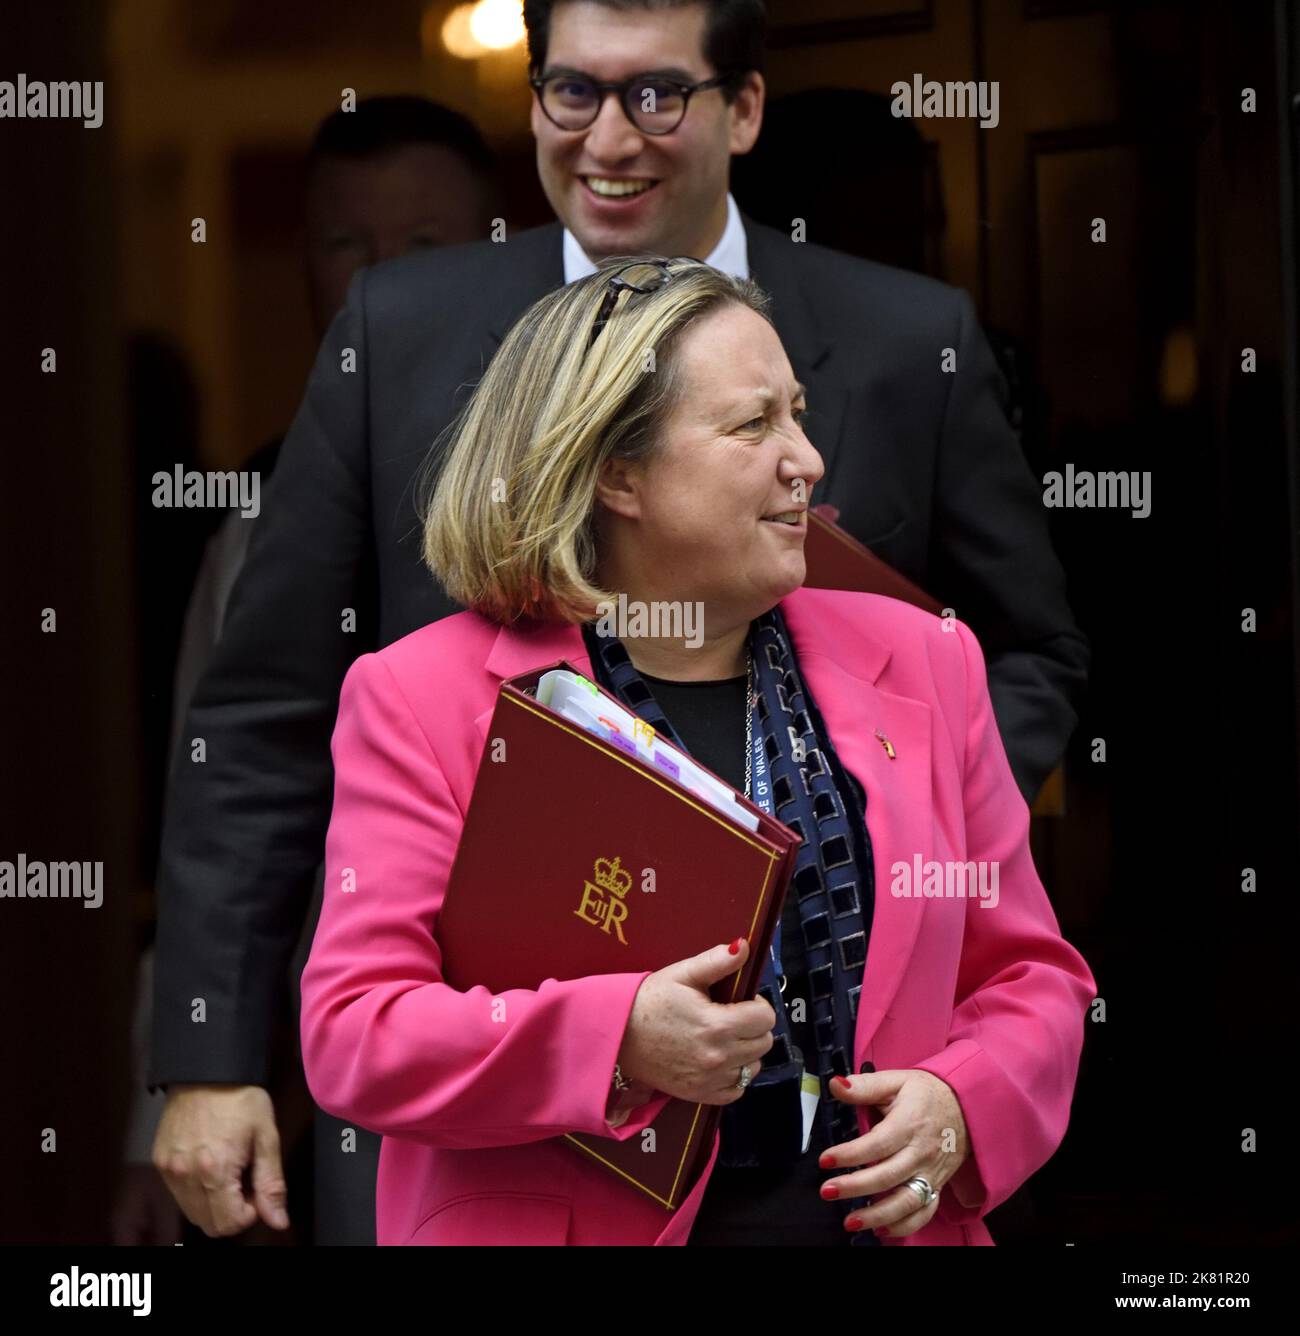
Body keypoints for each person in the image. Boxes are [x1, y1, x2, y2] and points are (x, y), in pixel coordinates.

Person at [152, 0, 1088, 1241]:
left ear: (740, 105)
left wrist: (927, 811)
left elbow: (1024, 955)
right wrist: (212, 1051)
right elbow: (268, 719)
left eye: (655, 93)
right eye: (570, 92)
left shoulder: (912, 375)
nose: (610, 136)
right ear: (614, 470)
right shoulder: (399, 361)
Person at [298, 257, 1096, 1246]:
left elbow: (1033, 978)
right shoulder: (420, 696)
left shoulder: (928, 662)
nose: (805, 458)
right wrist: (616, 1039)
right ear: (616, 472)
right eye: (753, 423)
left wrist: (960, 1101)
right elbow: (356, 1033)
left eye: (799, 414)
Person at [139, 96, 499, 1244]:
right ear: (304, 267)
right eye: (347, 245)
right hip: (349, 1060)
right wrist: (203, 1061)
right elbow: (227, 787)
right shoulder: (252, 522)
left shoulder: (607, 472)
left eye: (425, 248)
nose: (380, 283)